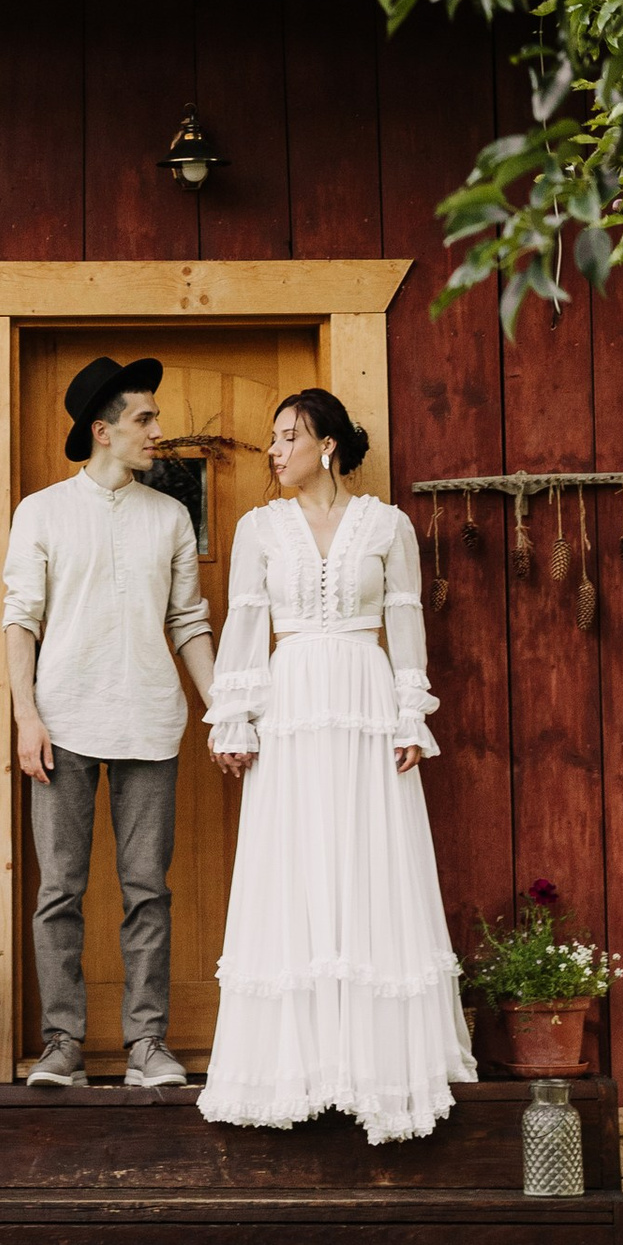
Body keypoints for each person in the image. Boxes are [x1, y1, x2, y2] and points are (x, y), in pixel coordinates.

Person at [198, 386, 475, 1145]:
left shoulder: (386, 526)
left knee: (368, 865)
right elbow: (247, 626)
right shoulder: (260, 530)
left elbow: (406, 623)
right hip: (290, 708)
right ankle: (296, 1064)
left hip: (364, 702)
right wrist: (234, 718)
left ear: (326, 445)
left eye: (289, 436)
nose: (275, 451)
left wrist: (412, 713)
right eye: (272, 438)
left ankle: (373, 1064)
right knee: (294, 866)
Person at [2, 352, 217, 1090]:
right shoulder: (42, 512)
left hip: (152, 725)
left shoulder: (170, 517)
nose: (158, 429)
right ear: (103, 430)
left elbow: (189, 620)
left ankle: (146, 1045)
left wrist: (221, 709)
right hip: (61, 726)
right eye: (144, 418)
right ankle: (61, 1043)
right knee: (59, 890)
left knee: (146, 889)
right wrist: (26, 716)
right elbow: (19, 620)